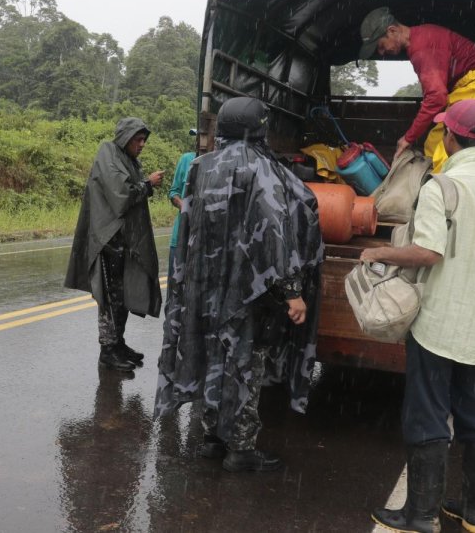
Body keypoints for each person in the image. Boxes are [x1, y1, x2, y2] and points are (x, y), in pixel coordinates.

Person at [359, 99, 475, 533]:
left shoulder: (442, 187)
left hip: (437, 324)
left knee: (426, 414)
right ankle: (473, 513)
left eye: (443, 132)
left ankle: (419, 515)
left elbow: (428, 252)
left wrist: (379, 250)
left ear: (451, 136)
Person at [154, 98, 323, 473]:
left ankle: (213, 438)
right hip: (247, 289)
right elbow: (273, 234)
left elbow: (189, 227)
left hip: (204, 286)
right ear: (259, 127)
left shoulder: (201, 166)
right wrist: (292, 291)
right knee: (245, 361)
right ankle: (241, 449)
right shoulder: (262, 169)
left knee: (212, 355)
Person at [65, 118, 165, 372]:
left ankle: (118, 344)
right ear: (125, 138)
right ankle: (107, 350)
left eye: (144, 140)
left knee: (122, 296)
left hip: (123, 241)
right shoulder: (108, 154)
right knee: (110, 298)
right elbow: (121, 196)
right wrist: (148, 184)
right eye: (137, 139)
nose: (142, 144)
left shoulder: (128, 159)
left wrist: (145, 185)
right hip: (108, 240)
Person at [358, 7, 475, 173]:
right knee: (435, 141)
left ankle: (440, 193)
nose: (382, 52)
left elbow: (436, 97)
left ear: (392, 31)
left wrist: (408, 138)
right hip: (470, 86)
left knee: (447, 144)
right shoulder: (422, 37)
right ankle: (433, 186)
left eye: (380, 46)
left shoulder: (422, 48)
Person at [165, 144, 196, 285]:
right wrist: (182, 205)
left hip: (203, 241)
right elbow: (173, 192)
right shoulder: (186, 159)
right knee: (175, 289)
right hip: (180, 237)